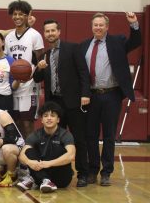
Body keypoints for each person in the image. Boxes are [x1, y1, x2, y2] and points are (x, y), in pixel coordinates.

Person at [80, 12, 141, 186]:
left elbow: (135, 42)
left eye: (101, 25)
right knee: (90, 135)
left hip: (112, 94)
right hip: (90, 96)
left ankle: (106, 172)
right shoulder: (84, 45)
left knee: (108, 135)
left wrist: (134, 24)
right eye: (95, 25)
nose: (98, 27)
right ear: (92, 27)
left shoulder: (118, 42)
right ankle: (92, 170)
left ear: (107, 27)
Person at [33, 19, 91, 187]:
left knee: (78, 138)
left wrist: (85, 94)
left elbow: (83, 73)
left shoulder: (72, 48)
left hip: (73, 102)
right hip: (55, 104)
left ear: (59, 31)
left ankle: (83, 174)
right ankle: (61, 172)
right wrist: (39, 68)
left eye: (53, 30)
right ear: (44, 34)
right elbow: (37, 79)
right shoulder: (44, 54)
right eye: (47, 31)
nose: (50, 34)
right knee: (57, 139)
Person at [4, 0, 44, 138]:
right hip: (14, 85)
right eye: (14, 14)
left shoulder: (35, 35)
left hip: (29, 86)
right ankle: (21, 154)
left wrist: (36, 78)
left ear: (27, 16)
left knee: (28, 123)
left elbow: (40, 60)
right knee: (16, 123)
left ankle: (31, 154)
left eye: (21, 14)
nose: (17, 17)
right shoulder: (9, 37)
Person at [17, 102, 75, 193]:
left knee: (59, 149)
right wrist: (29, 162)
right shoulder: (36, 134)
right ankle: (44, 180)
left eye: (52, 116)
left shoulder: (65, 134)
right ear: (42, 120)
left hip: (61, 178)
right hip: (42, 174)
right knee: (28, 151)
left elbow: (71, 155)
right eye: (45, 116)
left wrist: (49, 163)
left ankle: (35, 180)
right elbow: (21, 155)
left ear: (58, 120)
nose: (49, 118)